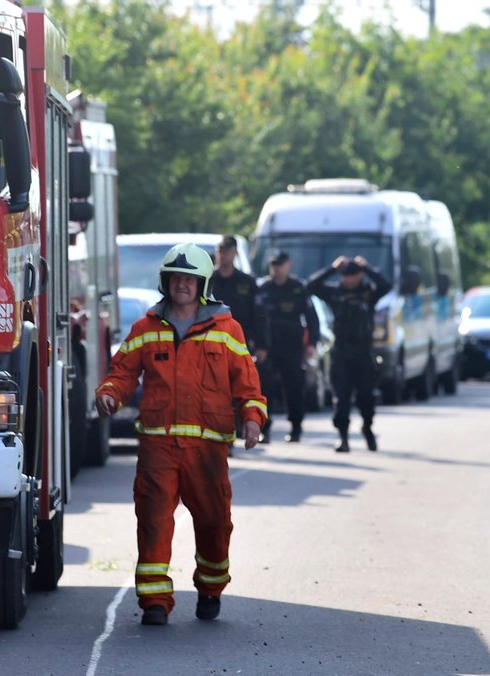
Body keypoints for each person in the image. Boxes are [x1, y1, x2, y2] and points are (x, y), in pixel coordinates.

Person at [94, 243, 267, 626]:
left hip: (207, 449)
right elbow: (123, 372)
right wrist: (109, 394)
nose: (181, 286)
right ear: (165, 283)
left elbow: (247, 383)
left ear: (202, 284)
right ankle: (155, 601)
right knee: (154, 519)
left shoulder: (227, 330)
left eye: (189, 280)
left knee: (214, 522)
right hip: (159, 445)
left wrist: (252, 418)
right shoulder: (145, 328)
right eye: (175, 279)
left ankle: (210, 587)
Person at [307, 256, 392, 453]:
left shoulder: (368, 292)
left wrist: (368, 266)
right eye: (345, 276)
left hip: (363, 353)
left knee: (366, 397)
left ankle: (368, 428)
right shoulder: (335, 292)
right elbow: (311, 286)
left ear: (359, 275)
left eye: (353, 275)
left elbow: (386, 285)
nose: (349, 280)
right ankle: (343, 437)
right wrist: (332, 268)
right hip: (342, 353)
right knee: (341, 398)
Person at [253, 250, 320, 443]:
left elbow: (311, 318)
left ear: (287, 264)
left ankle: (296, 427)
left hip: (292, 347)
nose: (276, 268)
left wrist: (312, 343)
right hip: (268, 346)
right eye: (273, 264)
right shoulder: (263, 288)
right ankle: (265, 429)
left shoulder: (298, 288)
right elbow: (255, 318)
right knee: (265, 388)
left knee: (293, 387)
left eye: (279, 264)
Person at [209, 236, 258, 346]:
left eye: (227, 251)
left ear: (235, 253)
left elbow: (257, 314)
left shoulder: (247, 282)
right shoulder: (207, 279)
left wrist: (261, 343)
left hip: (240, 339)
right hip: (212, 339)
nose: (223, 255)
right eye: (220, 251)